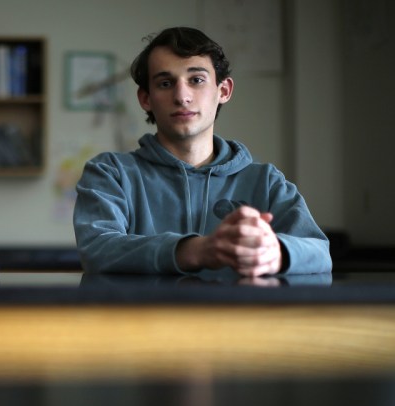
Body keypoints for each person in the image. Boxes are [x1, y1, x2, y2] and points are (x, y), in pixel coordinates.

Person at [73, 27, 331, 277]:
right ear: (146, 99)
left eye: (196, 80)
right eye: (165, 83)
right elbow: (98, 249)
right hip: (141, 321)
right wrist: (196, 251)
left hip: (238, 320)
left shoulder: (266, 181)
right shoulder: (110, 173)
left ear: (224, 90)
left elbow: (319, 251)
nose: (182, 96)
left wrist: (277, 252)